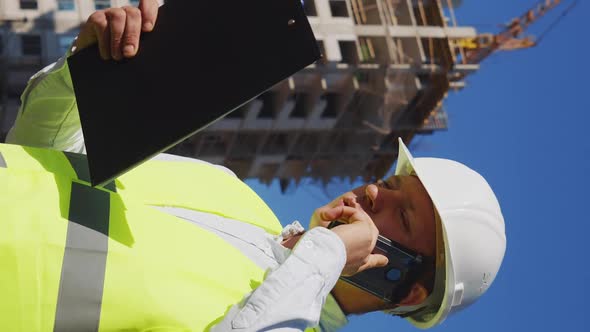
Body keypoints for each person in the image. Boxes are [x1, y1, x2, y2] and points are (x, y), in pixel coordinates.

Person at [0, 1, 507, 331]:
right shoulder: (227, 191)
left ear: (406, 286)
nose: (375, 194)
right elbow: (43, 160)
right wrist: (82, 78)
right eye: (392, 183)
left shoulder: (294, 316)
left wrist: (326, 253)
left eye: (404, 215)